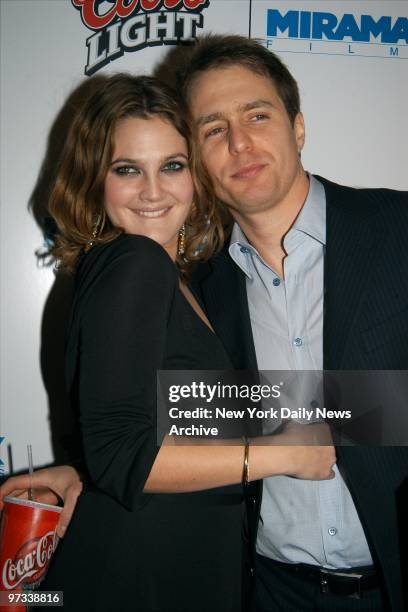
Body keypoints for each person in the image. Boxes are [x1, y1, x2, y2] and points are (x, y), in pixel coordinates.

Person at [2, 34, 406, 611]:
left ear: (297, 127)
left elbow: (198, 417)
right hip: (261, 586)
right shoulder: (203, 284)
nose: (240, 142)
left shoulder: (397, 228)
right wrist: (99, 470)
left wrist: (96, 469)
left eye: (257, 115)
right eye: (214, 128)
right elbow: (180, 420)